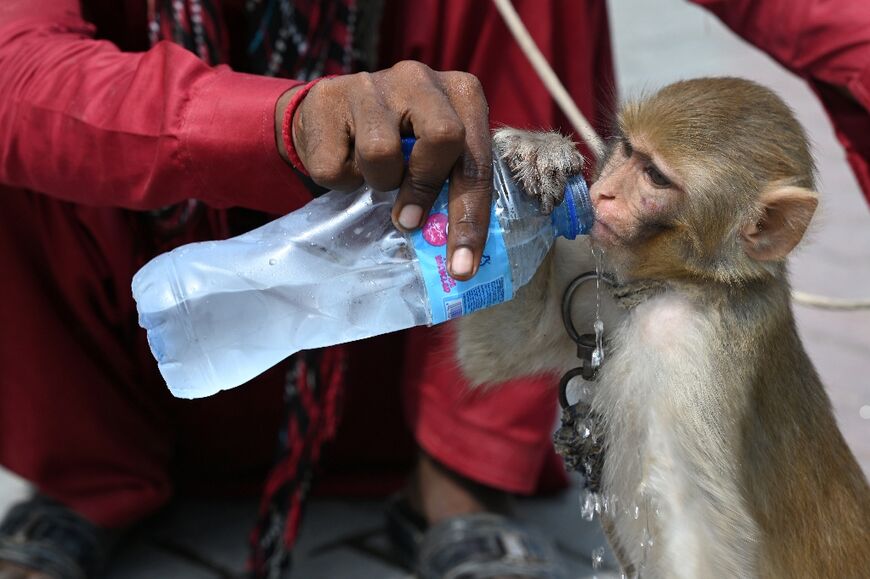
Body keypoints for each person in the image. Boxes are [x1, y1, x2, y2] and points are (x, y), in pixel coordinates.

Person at [0, 1, 868, 578]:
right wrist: (278, 123)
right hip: (123, 334)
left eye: (651, 175)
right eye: (620, 151)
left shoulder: (679, 317)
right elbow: (14, 70)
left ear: (762, 232)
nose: (606, 184)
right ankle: (86, 472)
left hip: (401, 377)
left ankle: (463, 479)